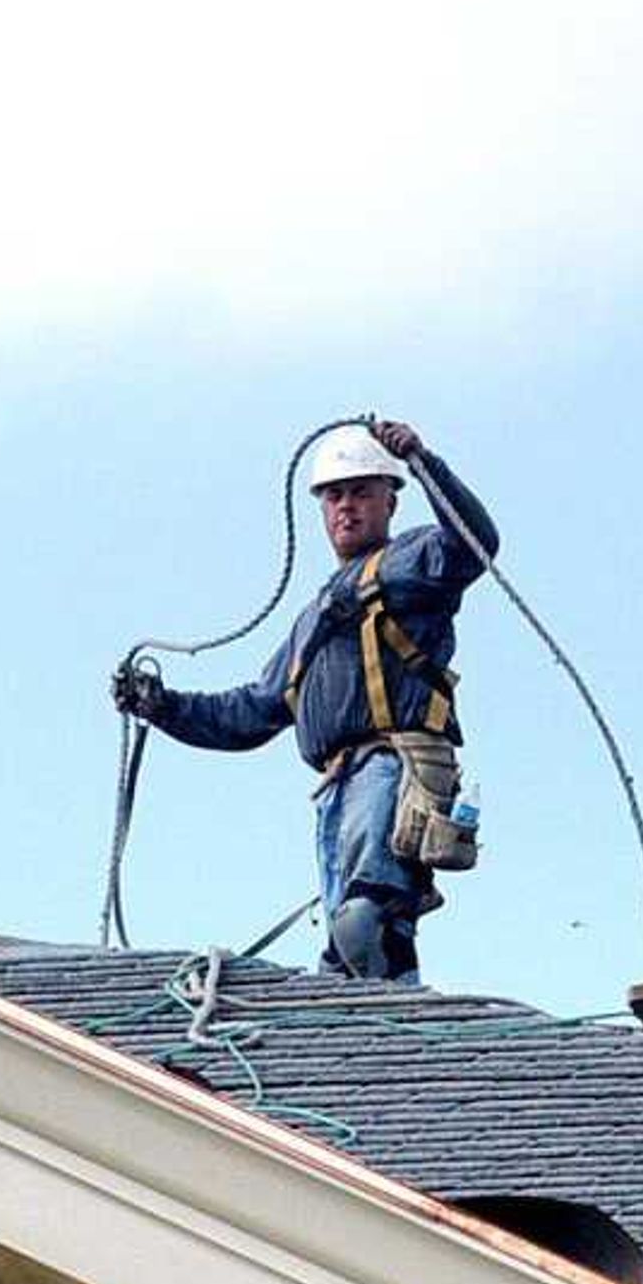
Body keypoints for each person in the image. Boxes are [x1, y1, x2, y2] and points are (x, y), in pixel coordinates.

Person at [110, 419, 492, 981]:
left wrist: (424, 461)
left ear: (390, 500)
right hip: (335, 794)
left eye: (361, 491)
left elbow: (473, 543)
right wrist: (161, 705)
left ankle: (395, 1023)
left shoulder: (411, 562)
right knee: (348, 949)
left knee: (367, 923)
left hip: (390, 769)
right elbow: (249, 714)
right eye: (334, 495)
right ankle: (366, 1036)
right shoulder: (312, 623)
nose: (346, 506)